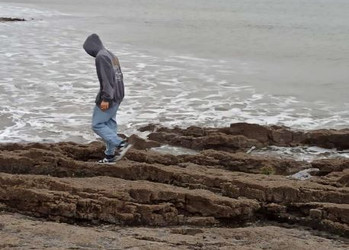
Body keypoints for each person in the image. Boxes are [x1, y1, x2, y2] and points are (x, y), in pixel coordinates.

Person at [83, 33, 131, 163]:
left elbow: (107, 80)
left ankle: (121, 144)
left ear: (91, 47)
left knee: (97, 124)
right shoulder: (111, 55)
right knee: (109, 125)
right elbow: (118, 77)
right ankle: (110, 156)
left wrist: (106, 98)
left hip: (109, 96)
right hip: (118, 94)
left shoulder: (101, 57)